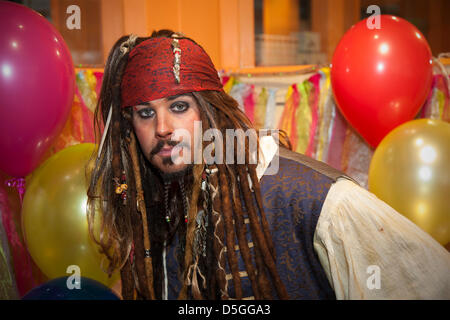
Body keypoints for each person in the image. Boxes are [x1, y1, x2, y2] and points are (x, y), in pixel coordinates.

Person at [87, 29, 450, 300]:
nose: (162, 128)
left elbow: (429, 282)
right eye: (145, 113)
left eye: (179, 107)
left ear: (211, 110)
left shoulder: (315, 200)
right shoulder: (151, 203)